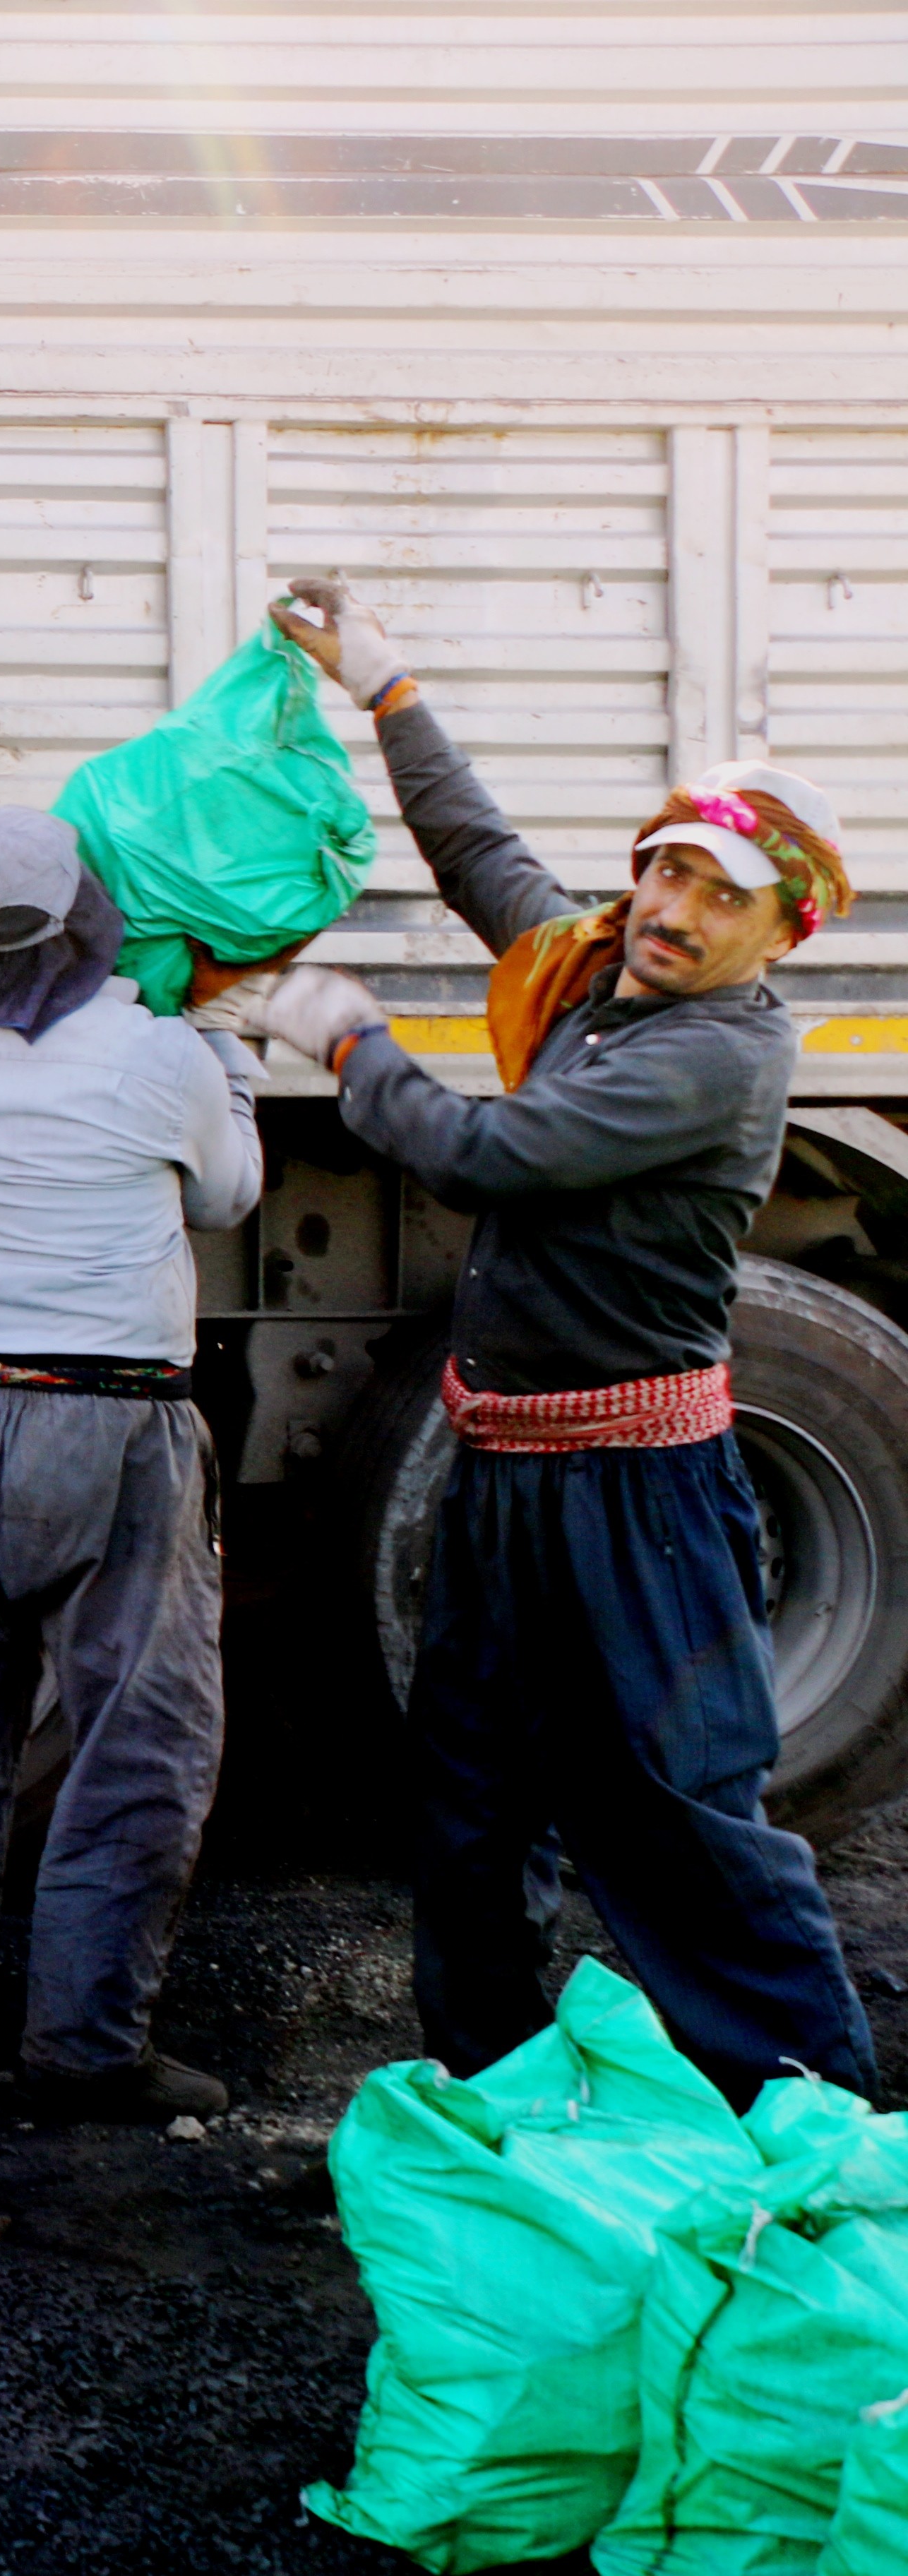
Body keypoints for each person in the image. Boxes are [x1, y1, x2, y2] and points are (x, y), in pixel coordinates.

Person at [249, 575, 874, 2107]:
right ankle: (498, 2092)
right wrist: (387, 689)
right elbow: (484, 863)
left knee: (685, 1815)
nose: (672, 913)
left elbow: (484, 1160)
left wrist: (345, 1038)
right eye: (668, 873)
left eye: (723, 898)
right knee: (469, 1802)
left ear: (782, 929)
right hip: (510, 1479)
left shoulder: (720, 1056)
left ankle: (818, 2137)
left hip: (642, 1505)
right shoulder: (599, 975)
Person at [0, 806, 263, 2121]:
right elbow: (227, 1194)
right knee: (137, 1740)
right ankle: (87, 2046)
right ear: (92, 921)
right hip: (108, 1423)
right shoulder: (152, 1057)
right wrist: (221, 1039)